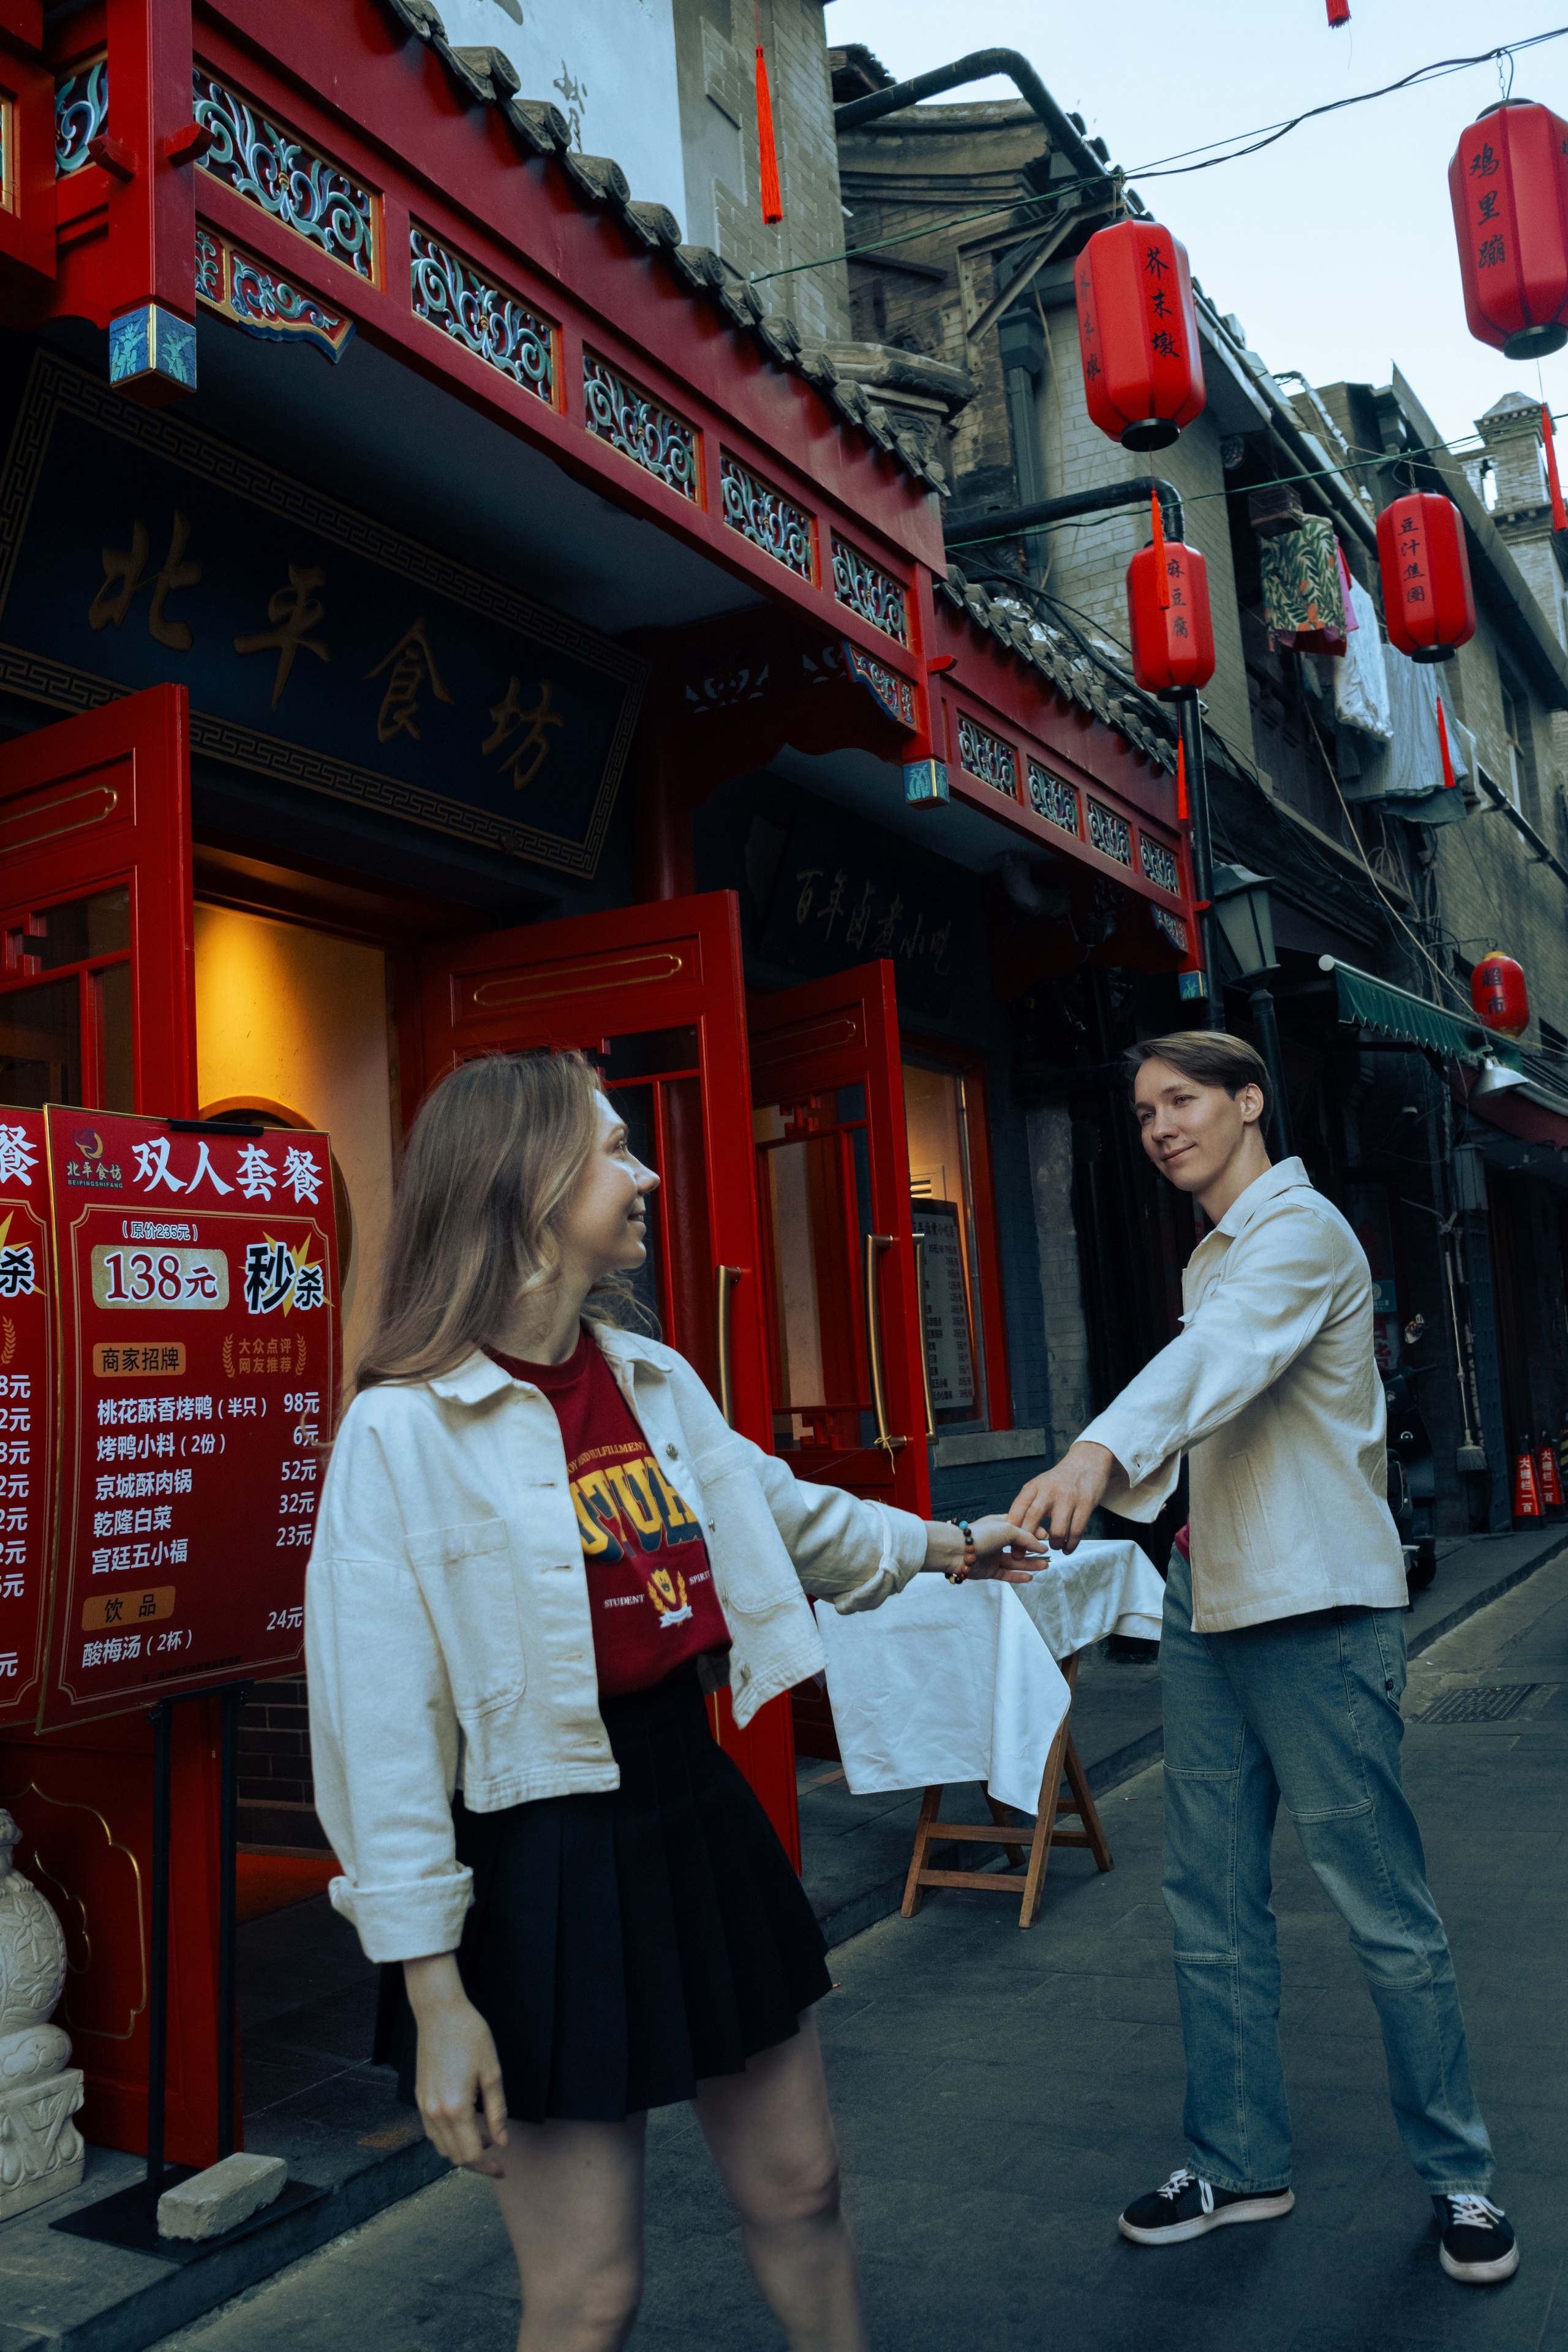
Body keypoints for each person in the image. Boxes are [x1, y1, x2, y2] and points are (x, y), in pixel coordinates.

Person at [306, 1051, 1040, 2352]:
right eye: (613, 1151)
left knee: (802, 2185)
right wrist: (433, 1994)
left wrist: (949, 1543)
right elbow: (378, 1733)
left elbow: (781, 1513)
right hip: (539, 1850)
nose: (644, 1174)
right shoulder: (401, 1433)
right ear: (523, 1181)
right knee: (590, 2291)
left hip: (690, 1808)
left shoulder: (648, 1380)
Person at [1008, 1030, 1518, 2290]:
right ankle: (1236, 2162)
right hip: (1210, 1602)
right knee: (1209, 1902)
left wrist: (1089, 1456)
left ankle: (1460, 2175)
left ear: (1248, 1102)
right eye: (1138, 1112)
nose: (1157, 1127)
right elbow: (1212, 1403)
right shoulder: (1215, 1252)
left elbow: (1214, 1362)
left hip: (1314, 1613)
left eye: (1179, 1100)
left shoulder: (1295, 1231)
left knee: (1377, 1907)